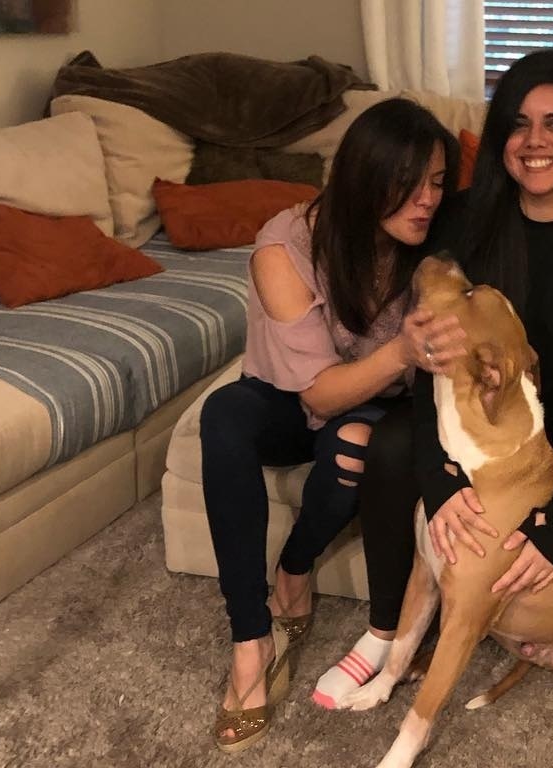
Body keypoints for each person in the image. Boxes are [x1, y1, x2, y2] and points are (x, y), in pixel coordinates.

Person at [336, 50, 553, 767]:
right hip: (471, 406)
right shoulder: (468, 220)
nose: (535, 141)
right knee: (392, 447)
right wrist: (441, 481)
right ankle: (381, 631)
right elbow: (430, 353)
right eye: (519, 123)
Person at [199, 97, 463, 752]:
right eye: (410, 183)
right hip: (292, 394)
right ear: (363, 177)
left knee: (355, 442)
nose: (427, 200)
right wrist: (402, 350)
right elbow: (317, 391)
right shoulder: (286, 246)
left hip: (372, 402)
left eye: (437, 182)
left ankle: (295, 567)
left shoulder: (436, 243)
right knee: (223, 416)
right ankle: (250, 639)